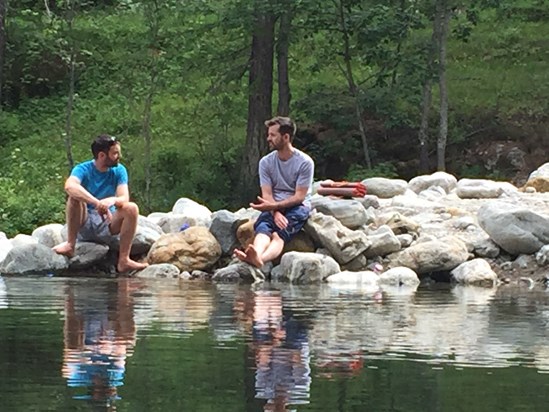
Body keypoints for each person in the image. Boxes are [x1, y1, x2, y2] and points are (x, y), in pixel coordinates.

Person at [53, 134, 148, 272]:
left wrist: (112, 200)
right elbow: (69, 186)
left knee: (131, 208)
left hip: (108, 222)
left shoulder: (119, 170)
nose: (119, 156)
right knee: (74, 198)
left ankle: (124, 260)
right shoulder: (83, 169)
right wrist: (97, 203)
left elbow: (124, 197)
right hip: (84, 221)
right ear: (102, 155)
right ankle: (70, 245)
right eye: (115, 153)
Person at [234, 116, 314, 268]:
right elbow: (267, 195)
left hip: (298, 206)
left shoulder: (305, 162)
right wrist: (275, 211)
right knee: (263, 230)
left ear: (286, 137)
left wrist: (275, 208)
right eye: (268, 134)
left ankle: (260, 259)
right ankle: (255, 254)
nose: (268, 138)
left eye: (272, 135)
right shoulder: (265, 162)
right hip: (272, 206)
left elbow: (299, 196)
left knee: (279, 234)